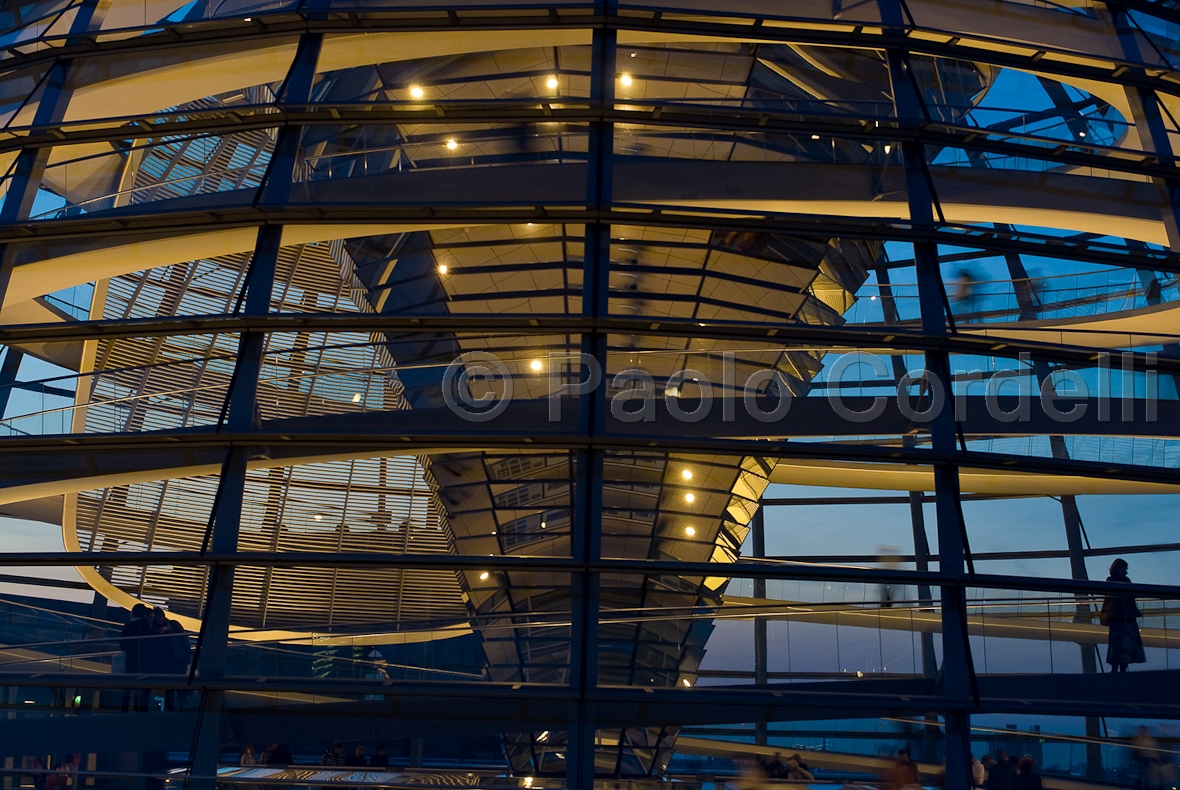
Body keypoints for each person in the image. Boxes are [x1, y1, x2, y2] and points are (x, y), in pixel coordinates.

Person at [1101, 558, 1147, 672]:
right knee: (1124, 645)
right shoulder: (1124, 581)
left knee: (1118, 645)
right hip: (1123, 619)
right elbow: (1130, 597)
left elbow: (1109, 600)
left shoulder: (1112, 581)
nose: (1125, 571)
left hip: (1119, 619)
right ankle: (1120, 669)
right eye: (1123, 568)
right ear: (1118, 568)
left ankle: (1117, 669)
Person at [120, 603, 152, 710]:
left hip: (130, 658)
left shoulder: (128, 625)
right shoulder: (145, 624)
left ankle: (124, 709)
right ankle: (138, 709)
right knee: (140, 685)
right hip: (143, 659)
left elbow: (122, 645)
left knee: (128, 686)